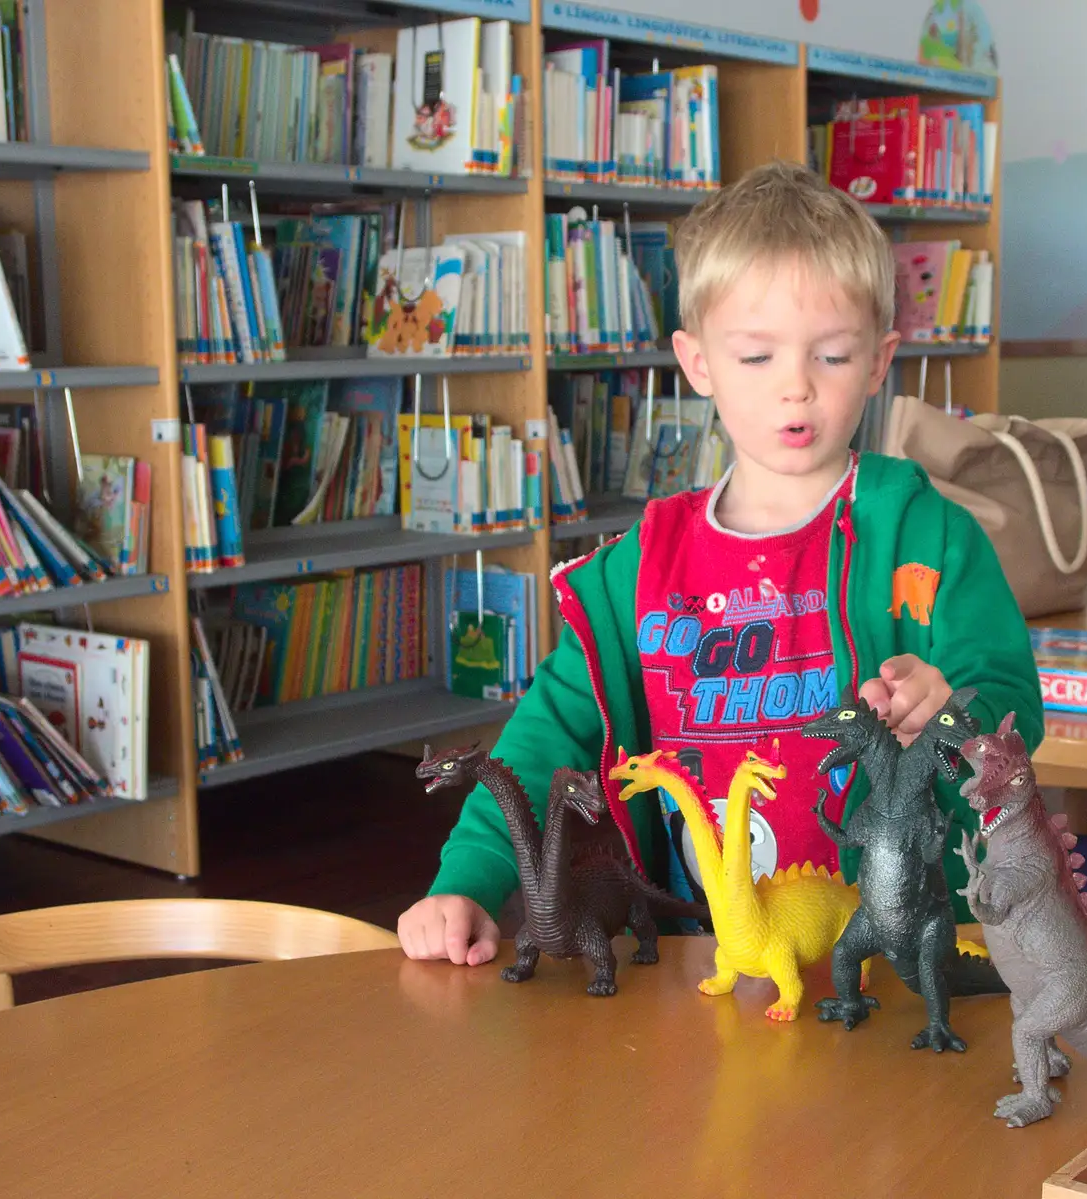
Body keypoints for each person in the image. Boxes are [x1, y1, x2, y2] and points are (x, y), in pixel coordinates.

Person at [397, 159, 1042, 966]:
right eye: (756, 357)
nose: (796, 389)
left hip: (900, 959)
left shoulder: (929, 537)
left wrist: (954, 709)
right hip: (707, 965)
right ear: (698, 363)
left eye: (832, 356)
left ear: (880, 362)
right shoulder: (640, 566)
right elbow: (545, 734)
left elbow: (1011, 695)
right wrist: (466, 880)